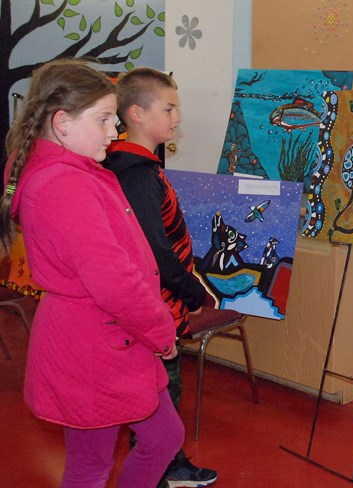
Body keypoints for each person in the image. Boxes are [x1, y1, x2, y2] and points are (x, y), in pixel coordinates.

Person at [0, 58, 184, 488]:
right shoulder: (63, 184)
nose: (113, 131)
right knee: (91, 463)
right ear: (62, 123)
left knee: (161, 437)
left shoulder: (71, 173)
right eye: (103, 119)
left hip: (109, 335)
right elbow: (113, 279)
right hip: (96, 342)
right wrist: (161, 332)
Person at [106, 67, 217, 488]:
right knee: (160, 393)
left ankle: (171, 463)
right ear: (136, 113)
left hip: (158, 302)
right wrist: (195, 293)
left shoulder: (136, 166)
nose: (176, 118)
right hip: (154, 306)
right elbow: (154, 251)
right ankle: (160, 468)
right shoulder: (136, 174)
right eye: (168, 108)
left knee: (160, 395)